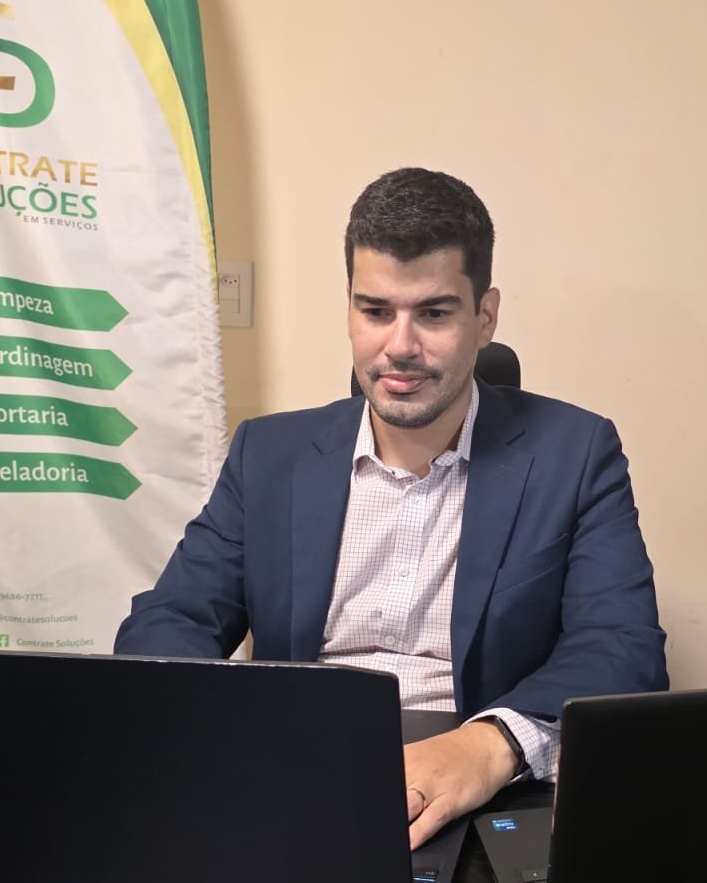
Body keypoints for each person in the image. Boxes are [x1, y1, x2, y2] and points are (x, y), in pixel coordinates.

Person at [115, 167, 666, 849]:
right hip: (296, 776)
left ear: (485, 317)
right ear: (349, 309)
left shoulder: (574, 453)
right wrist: (234, 735)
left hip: (483, 790)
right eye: (375, 311)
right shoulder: (269, 455)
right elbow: (170, 620)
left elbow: (622, 647)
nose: (400, 346)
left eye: (434, 313)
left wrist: (489, 745)